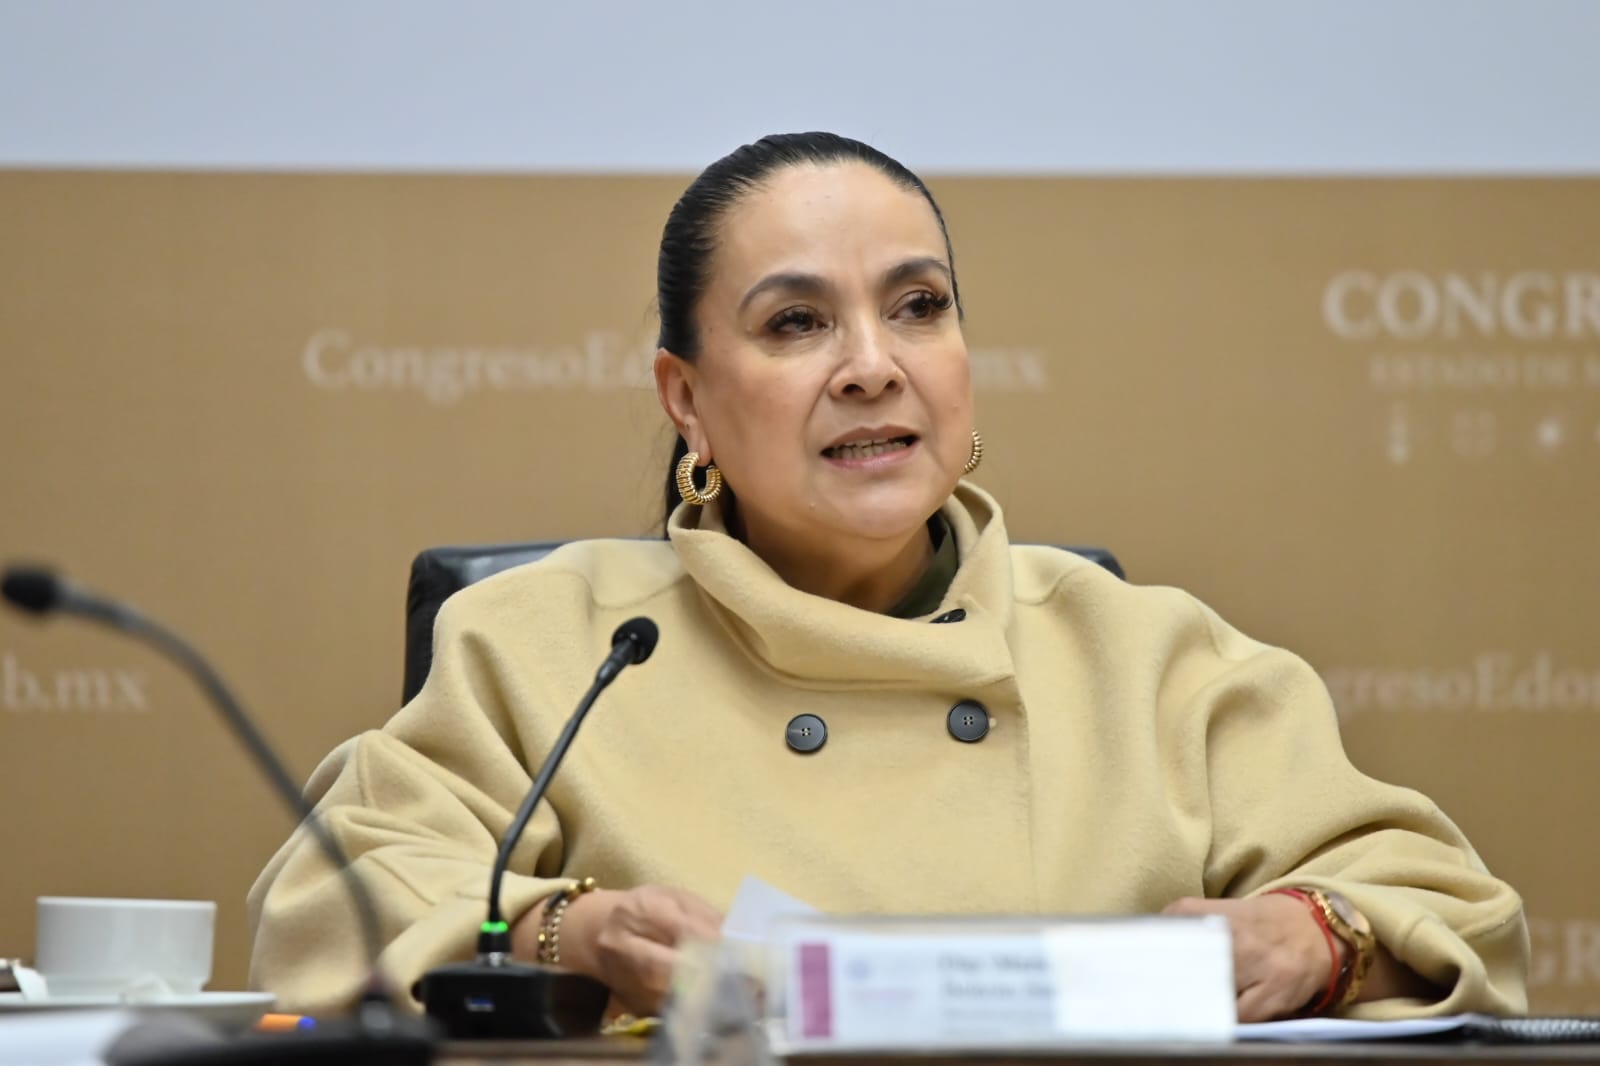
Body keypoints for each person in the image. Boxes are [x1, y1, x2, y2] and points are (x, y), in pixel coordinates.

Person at [247, 132, 1528, 1023]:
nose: (872, 364)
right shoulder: (549, 642)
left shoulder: (1145, 655)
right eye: (796, 322)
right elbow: (328, 900)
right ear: (685, 399)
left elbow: (1448, 903)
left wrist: (1316, 935)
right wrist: (564, 934)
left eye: (918, 306)